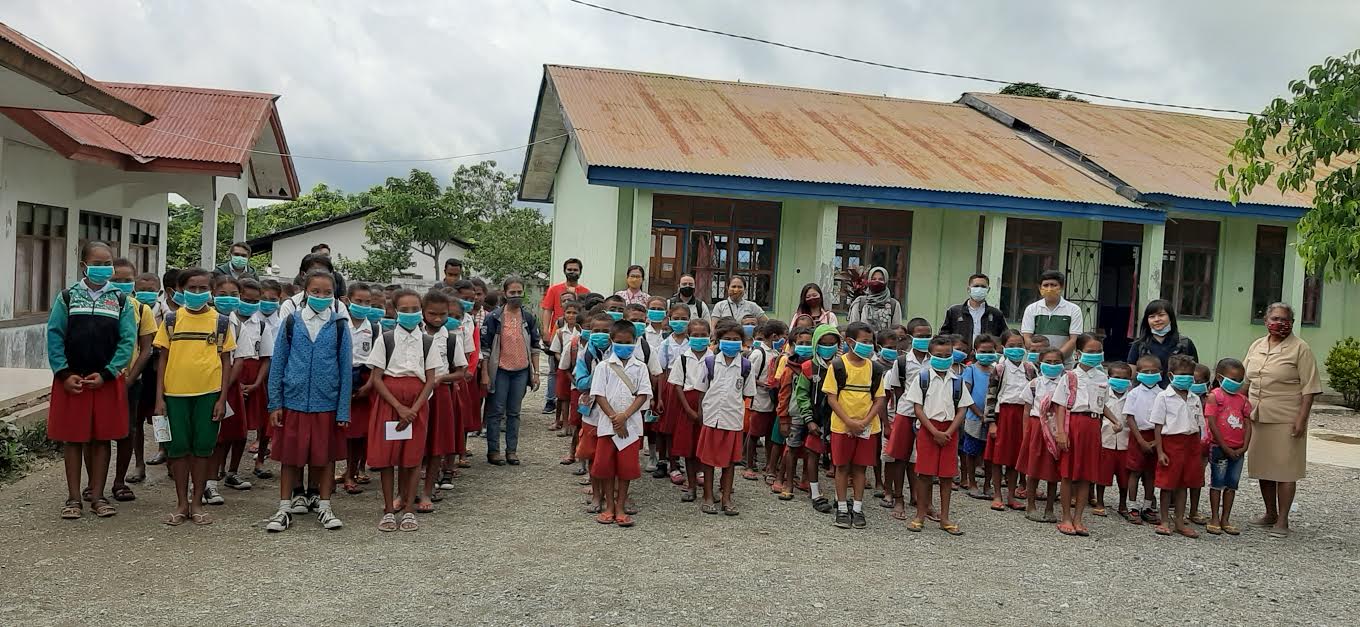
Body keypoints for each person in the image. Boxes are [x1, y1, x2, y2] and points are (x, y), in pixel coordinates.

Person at [47, 241, 137, 520]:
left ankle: (98, 496)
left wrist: (109, 372)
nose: (103, 268)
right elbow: (55, 335)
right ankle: (74, 498)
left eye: (107, 262)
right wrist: (63, 373)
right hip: (72, 381)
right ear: (84, 266)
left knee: (101, 440)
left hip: (106, 380)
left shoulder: (120, 300)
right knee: (73, 440)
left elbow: (128, 340)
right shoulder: (67, 297)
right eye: (97, 263)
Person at [263, 269, 352, 532]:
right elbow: (278, 363)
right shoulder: (291, 321)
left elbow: (345, 368)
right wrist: (275, 403)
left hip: (327, 402)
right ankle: (284, 508)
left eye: (327, 293)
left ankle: (325, 506)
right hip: (294, 401)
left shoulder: (339, 325)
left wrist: (343, 409)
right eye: (316, 292)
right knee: (290, 457)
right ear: (305, 291)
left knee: (325, 457)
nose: (321, 296)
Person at [153, 267, 235, 526]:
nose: (197, 293)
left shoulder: (220, 321)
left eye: (202, 288)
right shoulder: (171, 320)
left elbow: (226, 361)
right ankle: (180, 503)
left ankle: (197, 502)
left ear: (210, 291)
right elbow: (162, 360)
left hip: (208, 396)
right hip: (175, 395)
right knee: (177, 450)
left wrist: (222, 399)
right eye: (191, 288)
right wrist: (159, 398)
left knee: (202, 450)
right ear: (180, 291)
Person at [365, 289, 441, 532]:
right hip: (390, 403)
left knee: (412, 458)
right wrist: (398, 407)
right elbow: (376, 378)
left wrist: (414, 409)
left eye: (415, 309)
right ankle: (388, 509)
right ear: (396, 312)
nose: (411, 314)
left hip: (417, 404)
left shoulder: (428, 341)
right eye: (405, 310)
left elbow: (430, 380)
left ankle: (408, 509)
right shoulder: (386, 339)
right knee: (388, 457)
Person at [1244, 302, 1320, 539]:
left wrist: (1302, 419)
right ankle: (1270, 513)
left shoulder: (1301, 348)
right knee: (1264, 468)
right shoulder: (1257, 345)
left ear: (1292, 323)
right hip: (1257, 415)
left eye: (1286, 320)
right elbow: (1245, 379)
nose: (1280, 323)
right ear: (1266, 321)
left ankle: (1283, 521)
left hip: (1287, 416)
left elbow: (1310, 389)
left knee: (1285, 471)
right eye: (1275, 319)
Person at [822, 321, 888, 529]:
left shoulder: (875, 369)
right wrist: (849, 422)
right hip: (842, 426)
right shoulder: (838, 366)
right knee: (842, 467)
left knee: (860, 469)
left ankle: (857, 508)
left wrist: (864, 422)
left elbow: (879, 399)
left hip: (868, 428)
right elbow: (832, 398)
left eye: (871, 342)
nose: (869, 346)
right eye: (864, 342)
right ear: (850, 342)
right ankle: (842, 507)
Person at [906, 336, 974, 535]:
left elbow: (962, 410)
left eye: (947, 355)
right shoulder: (923, 377)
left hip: (949, 431)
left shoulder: (957, 382)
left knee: (946, 476)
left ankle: (945, 518)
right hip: (929, 430)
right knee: (925, 474)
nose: (943, 359)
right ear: (930, 355)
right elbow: (918, 408)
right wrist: (934, 432)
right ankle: (920, 515)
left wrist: (949, 432)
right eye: (938, 355)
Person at [590, 319, 652, 527]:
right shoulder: (603, 366)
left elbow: (643, 394)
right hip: (608, 426)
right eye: (619, 342)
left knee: (626, 469)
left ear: (635, 341)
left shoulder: (640, 367)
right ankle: (608, 505)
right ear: (612, 341)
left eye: (628, 342)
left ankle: (621, 506)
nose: (624, 346)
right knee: (606, 468)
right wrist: (615, 419)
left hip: (631, 427)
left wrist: (625, 416)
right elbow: (598, 394)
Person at [107, 258, 157, 504]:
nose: (122, 284)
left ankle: (119, 481)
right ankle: (94, 483)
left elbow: (146, 349)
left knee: (128, 430)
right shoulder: (98, 306)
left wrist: (131, 378)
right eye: (116, 280)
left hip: (129, 380)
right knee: (96, 434)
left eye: (127, 281)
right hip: (100, 380)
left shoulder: (141, 309)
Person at [696, 320, 757, 516]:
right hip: (712, 417)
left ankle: (726, 497)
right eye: (727, 339)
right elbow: (701, 390)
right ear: (719, 341)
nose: (731, 342)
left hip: (733, 419)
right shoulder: (710, 362)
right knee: (708, 460)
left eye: (735, 339)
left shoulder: (746, 366)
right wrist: (700, 413)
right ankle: (707, 495)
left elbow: (748, 394)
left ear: (742, 342)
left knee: (730, 462)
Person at [481, 276, 542, 466]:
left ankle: (512, 451)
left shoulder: (528, 317)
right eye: (512, 292)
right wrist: (485, 374)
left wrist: (536, 372)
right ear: (504, 293)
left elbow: (534, 346)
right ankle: (494, 451)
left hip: (521, 371)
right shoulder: (494, 318)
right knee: (496, 411)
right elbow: (485, 349)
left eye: (519, 292)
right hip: (500, 370)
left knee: (514, 412)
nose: (516, 296)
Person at [1052, 334, 1109, 537]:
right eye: (1090, 352)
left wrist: (1115, 421)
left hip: (1093, 425)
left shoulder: (1103, 377)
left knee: (1087, 474)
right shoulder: (1069, 376)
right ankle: (1066, 516)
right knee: (1068, 474)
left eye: (1098, 352)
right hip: (1073, 424)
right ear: (1078, 354)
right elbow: (1059, 405)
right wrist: (1060, 432)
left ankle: (1078, 518)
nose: (1095, 355)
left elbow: (1104, 405)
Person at [417, 292, 467, 513]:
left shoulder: (451, 338)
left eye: (442, 315)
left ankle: (428, 489)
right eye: (432, 314)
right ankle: (407, 491)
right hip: (416, 394)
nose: (437, 319)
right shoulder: (414, 334)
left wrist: (440, 379)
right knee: (414, 443)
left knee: (436, 444)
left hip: (440, 394)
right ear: (422, 312)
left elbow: (461, 371)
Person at [882, 318, 931, 521]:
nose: (925, 339)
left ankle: (924, 501)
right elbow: (897, 388)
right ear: (911, 337)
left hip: (929, 415)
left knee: (922, 459)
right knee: (900, 458)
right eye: (920, 336)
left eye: (928, 336)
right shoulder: (901, 362)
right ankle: (898, 497)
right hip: (905, 412)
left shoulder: (934, 359)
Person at [1151, 355, 1205, 538]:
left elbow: (1199, 424)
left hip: (1191, 444)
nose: (1187, 378)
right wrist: (1160, 451)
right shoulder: (1163, 397)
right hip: (1171, 443)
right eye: (1183, 374)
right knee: (1168, 485)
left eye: (1190, 374)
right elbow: (1158, 426)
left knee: (1185, 484)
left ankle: (1180, 520)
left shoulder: (1194, 398)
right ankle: (1164, 520)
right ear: (1171, 375)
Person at [986, 329, 1034, 512]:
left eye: (1020, 346)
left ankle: (1011, 495)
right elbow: (990, 397)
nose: (1016, 349)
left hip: (1023, 415)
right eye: (1011, 346)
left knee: (1015, 457)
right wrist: (991, 422)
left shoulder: (1030, 368)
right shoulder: (999, 369)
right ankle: (997, 494)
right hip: (1003, 415)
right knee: (999, 458)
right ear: (1003, 348)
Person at [795, 324, 841, 515]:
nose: (828, 347)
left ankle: (840, 497)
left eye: (832, 344)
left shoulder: (842, 366)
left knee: (839, 458)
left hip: (839, 419)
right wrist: (808, 419)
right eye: (824, 343)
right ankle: (815, 493)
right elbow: (802, 394)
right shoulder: (808, 367)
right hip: (815, 418)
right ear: (816, 344)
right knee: (812, 453)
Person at [666, 317, 712, 503]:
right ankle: (691, 486)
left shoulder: (714, 358)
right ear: (688, 336)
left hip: (708, 407)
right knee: (689, 449)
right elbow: (677, 386)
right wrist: (689, 410)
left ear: (710, 336)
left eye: (703, 335)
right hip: (687, 406)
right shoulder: (683, 359)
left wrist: (703, 410)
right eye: (695, 335)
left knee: (706, 449)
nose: (699, 338)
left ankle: (706, 485)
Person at [1204, 358, 1251, 536]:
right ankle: (1214, 517)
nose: (1237, 383)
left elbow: (1248, 423)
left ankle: (1226, 518)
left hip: (1238, 450)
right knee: (1217, 483)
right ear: (1220, 377)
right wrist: (1224, 446)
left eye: (1240, 379)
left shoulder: (1243, 400)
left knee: (1232, 485)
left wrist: (1244, 446)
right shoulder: (1215, 396)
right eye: (1233, 379)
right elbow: (1212, 423)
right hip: (1219, 448)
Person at [1020, 348, 1065, 523]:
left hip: (1057, 428)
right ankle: (1030, 505)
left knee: (1054, 469)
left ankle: (1049, 507)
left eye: (1056, 362)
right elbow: (1026, 410)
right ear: (1041, 363)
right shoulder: (1034, 384)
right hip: (1037, 426)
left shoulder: (1066, 384)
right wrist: (1026, 433)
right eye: (1048, 362)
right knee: (1034, 467)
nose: (1052, 365)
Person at [341, 283, 378, 495]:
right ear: (347, 300)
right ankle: (342, 472)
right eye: (358, 301)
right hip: (343, 378)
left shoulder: (374, 327)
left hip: (365, 379)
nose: (363, 306)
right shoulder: (341, 324)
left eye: (367, 302)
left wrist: (369, 384)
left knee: (360, 433)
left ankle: (353, 471)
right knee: (343, 431)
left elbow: (377, 361)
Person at [541, 258, 590, 413]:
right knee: (554, 369)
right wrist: (546, 331)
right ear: (564, 270)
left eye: (575, 269)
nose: (572, 272)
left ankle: (571, 401)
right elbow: (547, 310)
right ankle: (550, 400)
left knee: (575, 369)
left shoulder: (585, 292)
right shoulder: (554, 289)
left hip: (577, 334)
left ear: (580, 272)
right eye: (569, 269)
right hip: (559, 332)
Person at [1124, 355, 1165, 525]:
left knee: (1151, 474)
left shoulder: (1163, 395)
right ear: (1138, 373)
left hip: (1156, 436)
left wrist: (1157, 441)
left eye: (1153, 371)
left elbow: (1165, 420)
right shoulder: (1133, 393)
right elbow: (1130, 417)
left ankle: (1148, 506)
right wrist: (1140, 441)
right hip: (1138, 435)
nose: (1149, 374)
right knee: (1135, 472)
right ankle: (1132, 506)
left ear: (1161, 373)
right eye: (1145, 371)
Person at [743, 320, 786, 481]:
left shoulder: (776, 354)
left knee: (769, 434)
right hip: (760, 399)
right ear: (774, 336)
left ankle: (769, 464)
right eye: (783, 336)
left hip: (772, 401)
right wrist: (764, 384)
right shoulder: (758, 353)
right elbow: (750, 377)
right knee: (754, 433)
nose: (784, 339)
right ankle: (748, 464)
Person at [959, 334, 1001, 500]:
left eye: (991, 351)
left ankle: (987, 484)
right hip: (974, 418)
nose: (987, 354)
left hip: (992, 419)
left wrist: (991, 417)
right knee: (971, 451)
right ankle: (972, 482)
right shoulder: (971, 370)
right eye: (983, 351)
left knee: (989, 453)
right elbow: (966, 395)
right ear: (975, 351)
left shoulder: (997, 370)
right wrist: (978, 413)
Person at [1126, 299, 1199, 385]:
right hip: (1146, 395)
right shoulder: (1139, 345)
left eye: (1161, 315)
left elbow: (1196, 372)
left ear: (1170, 317)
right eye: (1152, 316)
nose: (1157, 319)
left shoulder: (1185, 344)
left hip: (1176, 394)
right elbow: (1131, 374)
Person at [1021, 271, 1083, 364]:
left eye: (1053, 285)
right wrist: (1043, 359)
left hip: (1064, 363)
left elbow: (1073, 340)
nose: (1049, 289)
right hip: (1036, 363)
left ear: (1061, 287)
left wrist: (1055, 358)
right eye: (1045, 285)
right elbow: (1027, 338)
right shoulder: (1031, 309)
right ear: (1039, 288)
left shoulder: (1074, 310)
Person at [1096, 361, 1132, 519]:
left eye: (1125, 378)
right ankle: (1099, 502)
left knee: (1124, 478)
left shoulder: (1132, 396)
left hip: (1125, 443)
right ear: (1109, 377)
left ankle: (1122, 504)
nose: (1121, 380)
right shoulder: (1104, 394)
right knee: (1102, 475)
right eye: (1117, 377)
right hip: (1105, 441)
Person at [940, 273, 1008, 345]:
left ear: (988, 290)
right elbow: (944, 335)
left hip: (985, 354)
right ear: (969, 289)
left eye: (983, 287)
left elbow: (1004, 337)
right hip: (961, 353)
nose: (979, 289)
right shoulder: (954, 312)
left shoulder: (996, 314)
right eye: (976, 286)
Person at [846, 266, 903, 333]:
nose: (877, 281)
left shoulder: (894, 304)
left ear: (886, 282)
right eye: (873, 279)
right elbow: (853, 330)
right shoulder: (860, 302)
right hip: (865, 342)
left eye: (881, 279)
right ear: (869, 280)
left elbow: (896, 331)